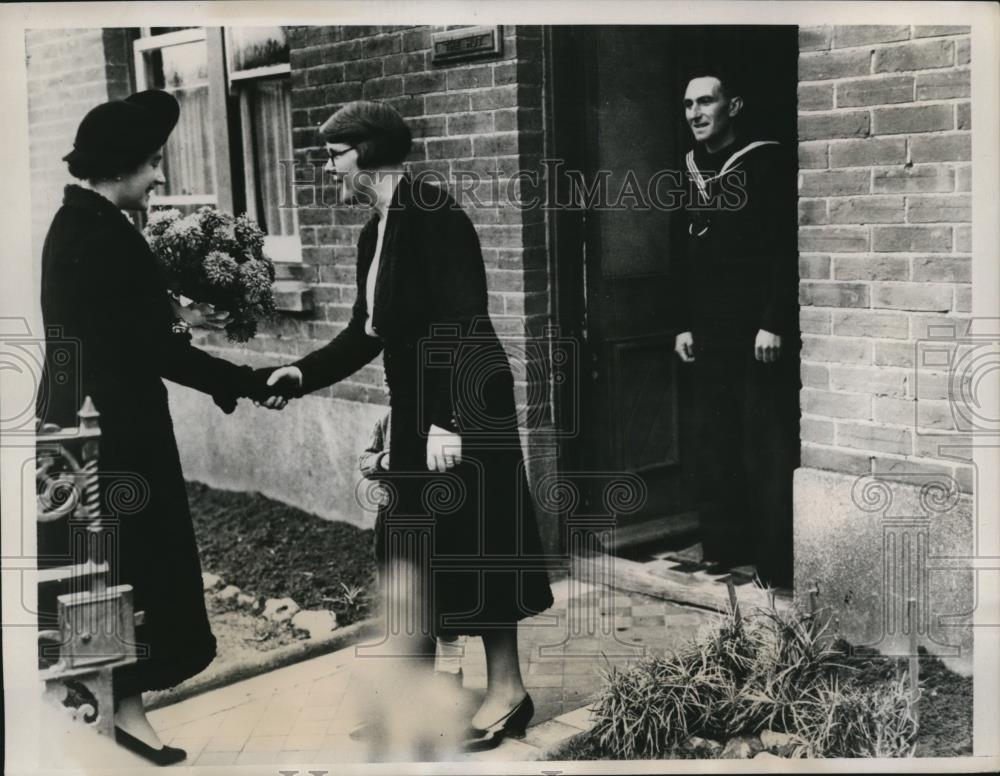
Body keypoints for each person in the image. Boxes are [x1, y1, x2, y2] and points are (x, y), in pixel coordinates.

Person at [261, 100, 553, 751]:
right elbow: (369, 334)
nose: (329, 167)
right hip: (420, 415)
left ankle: (508, 694)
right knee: (414, 555)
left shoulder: (432, 212)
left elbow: (463, 318)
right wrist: (299, 374)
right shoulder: (378, 230)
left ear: (364, 151)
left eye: (334, 154)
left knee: (478, 548)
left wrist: (448, 422)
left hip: (466, 405)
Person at [37, 90, 270, 765]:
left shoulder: (81, 226)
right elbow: (153, 351)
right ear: (119, 168)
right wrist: (246, 381)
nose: (160, 178)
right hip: (115, 440)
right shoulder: (100, 236)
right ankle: (113, 710)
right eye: (152, 164)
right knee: (129, 575)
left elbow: (127, 335)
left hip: (99, 433)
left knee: (120, 577)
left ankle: (123, 716)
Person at [670, 68, 800, 588]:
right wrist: (681, 323)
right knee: (714, 441)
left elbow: (783, 248)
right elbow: (677, 254)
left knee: (763, 444)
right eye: (687, 105)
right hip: (708, 333)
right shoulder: (685, 170)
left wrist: (773, 321)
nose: (696, 114)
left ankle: (773, 561)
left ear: (733, 107)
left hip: (757, 335)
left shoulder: (765, 162)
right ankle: (723, 547)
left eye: (706, 102)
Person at [358, 408, 466, 686]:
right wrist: (384, 461)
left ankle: (451, 669)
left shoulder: (447, 420)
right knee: (404, 598)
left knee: (443, 599)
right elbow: (366, 460)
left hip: (437, 520)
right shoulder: (389, 418)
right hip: (393, 516)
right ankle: (411, 678)